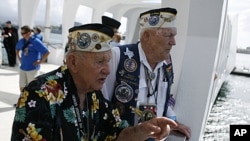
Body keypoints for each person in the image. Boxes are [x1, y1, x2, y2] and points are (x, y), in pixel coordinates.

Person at [11, 23, 177, 141]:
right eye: (99, 62)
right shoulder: (40, 93)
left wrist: (144, 129)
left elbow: (118, 133)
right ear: (73, 62)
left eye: (108, 61)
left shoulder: (95, 96)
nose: (108, 69)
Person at [102, 7, 191, 139]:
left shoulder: (167, 64)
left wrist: (174, 123)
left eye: (174, 35)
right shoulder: (118, 56)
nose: (173, 42)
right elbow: (101, 103)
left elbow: (164, 101)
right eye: (168, 35)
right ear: (146, 36)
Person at [15, 25, 50, 92]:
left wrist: (40, 61)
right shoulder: (22, 41)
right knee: (22, 88)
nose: (22, 35)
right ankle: (24, 101)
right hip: (23, 68)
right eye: (21, 33)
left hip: (32, 69)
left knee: (33, 89)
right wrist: (19, 58)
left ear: (28, 33)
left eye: (23, 33)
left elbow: (47, 52)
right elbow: (17, 48)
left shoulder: (35, 41)